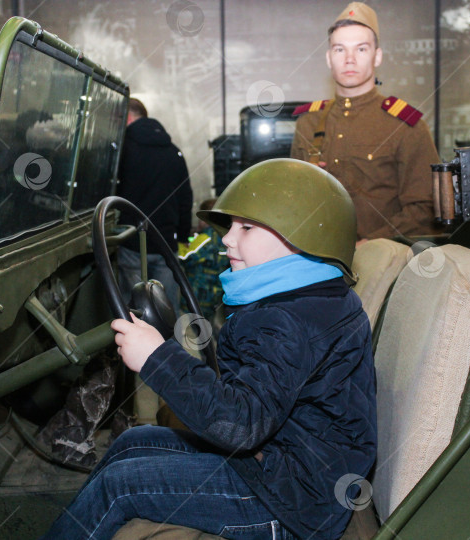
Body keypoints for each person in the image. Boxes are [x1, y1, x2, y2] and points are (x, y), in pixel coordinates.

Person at [41, 159, 376, 540]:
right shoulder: (308, 296)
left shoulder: (288, 321)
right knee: (131, 442)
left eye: (246, 228)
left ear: (301, 237)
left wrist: (157, 357)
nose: (227, 239)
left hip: (292, 501)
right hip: (285, 463)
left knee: (120, 485)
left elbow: (240, 425)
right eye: (231, 226)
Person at [290, 2, 440, 242]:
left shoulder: (404, 125)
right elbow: (293, 201)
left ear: (377, 56)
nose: (349, 59)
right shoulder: (309, 122)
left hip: (384, 262)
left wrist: (371, 244)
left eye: (361, 49)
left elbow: (423, 209)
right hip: (318, 258)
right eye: (340, 50)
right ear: (329, 58)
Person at [116, 97, 193, 311]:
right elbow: (185, 197)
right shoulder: (173, 151)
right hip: (165, 243)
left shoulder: (122, 150)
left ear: (128, 117)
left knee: (134, 309)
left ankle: (137, 343)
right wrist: (184, 234)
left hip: (131, 242)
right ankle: (172, 344)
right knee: (168, 307)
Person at [177, 198, 229, 322]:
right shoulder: (225, 236)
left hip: (198, 292)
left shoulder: (205, 237)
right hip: (216, 292)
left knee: (195, 326)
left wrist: (179, 244)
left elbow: (185, 257)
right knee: (208, 323)